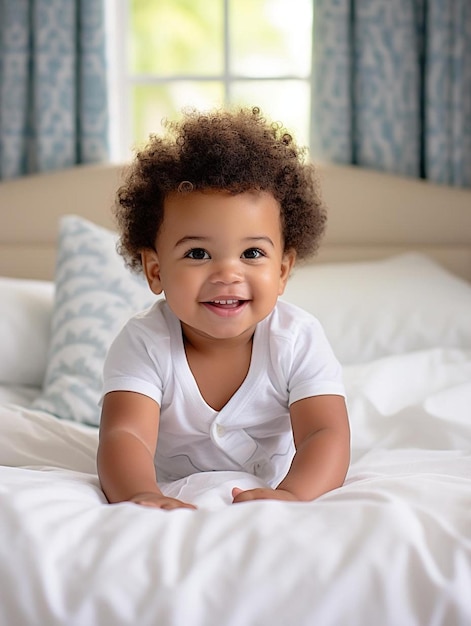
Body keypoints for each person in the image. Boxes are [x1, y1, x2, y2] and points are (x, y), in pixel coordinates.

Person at [97, 106, 350, 511]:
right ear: (155, 269)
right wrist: (142, 493)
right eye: (198, 253)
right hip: (172, 489)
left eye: (252, 252)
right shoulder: (144, 342)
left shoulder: (297, 338)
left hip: (273, 487)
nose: (227, 273)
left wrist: (292, 494)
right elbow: (124, 435)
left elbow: (325, 434)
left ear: (283, 270)